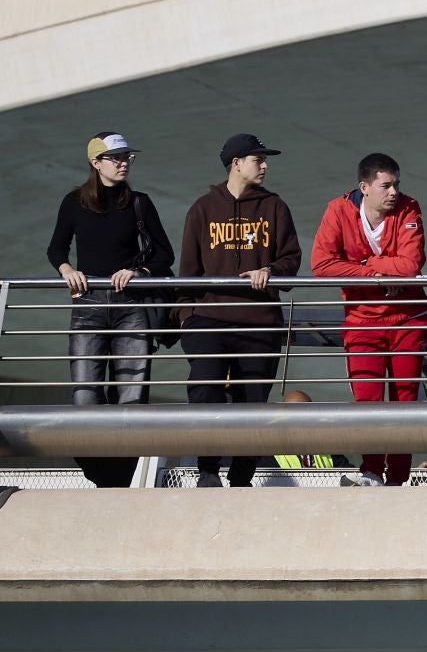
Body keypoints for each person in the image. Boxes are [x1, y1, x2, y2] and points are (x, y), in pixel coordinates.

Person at [47, 132, 174, 488]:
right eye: (115, 157)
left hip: (130, 305)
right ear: (95, 163)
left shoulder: (139, 203)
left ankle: (119, 478)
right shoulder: (74, 202)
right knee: (86, 394)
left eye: (126, 157)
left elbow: (164, 254)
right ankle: (100, 474)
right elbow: (56, 248)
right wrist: (67, 270)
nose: (123, 163)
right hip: (87, 304)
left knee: (132, 394)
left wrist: (137, 272)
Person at [177, 133, 303, 488]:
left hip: (259, 322)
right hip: (209, 320)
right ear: (236, 163)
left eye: (265, 159)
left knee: (253, 401)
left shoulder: (275, 207)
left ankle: (242, 476)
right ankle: (207, 469)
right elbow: (188, 271)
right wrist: (187, 318)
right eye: (257, 159)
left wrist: (271, 271)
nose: (264, 165)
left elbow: (292, 259)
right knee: (205, 388)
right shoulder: (202, 208)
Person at [312, 152, 427, 488]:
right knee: (367, 399)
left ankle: (399, 477)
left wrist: (361, 268)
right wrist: (374, 271)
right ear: (364, 187)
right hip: (362, 322)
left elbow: (411, 266)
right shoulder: (339, 210)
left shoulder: (409, 208)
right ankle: (372, 471)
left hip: (407, 319)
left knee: (405, 397)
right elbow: (321, 266)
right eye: (386, 185)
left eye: (396, 184)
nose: (394, 192)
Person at [272, 389, 343, 472]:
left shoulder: (328, 447)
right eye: (295, 415)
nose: (302, 420)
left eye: (308, 412)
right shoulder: (268, 452)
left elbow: (349, 474)